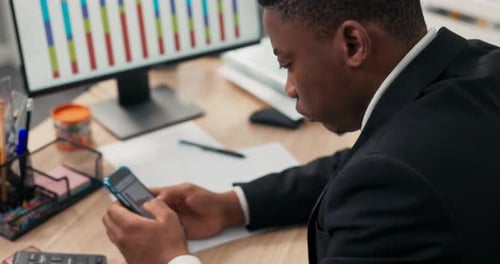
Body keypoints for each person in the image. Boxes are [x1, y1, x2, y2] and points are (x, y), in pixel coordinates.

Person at [102, 0, 500, 263]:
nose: (290, 88)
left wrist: (171, 259)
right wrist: (233, 205)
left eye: (287, 63)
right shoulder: (480, 67)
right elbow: (366, 163)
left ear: (353, 44)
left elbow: (385, 174)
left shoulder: (395, 183)